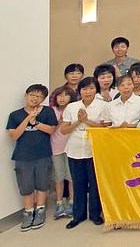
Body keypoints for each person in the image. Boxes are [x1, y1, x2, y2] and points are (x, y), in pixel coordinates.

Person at [60, 77, 112, 228]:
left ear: (96, 90)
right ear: (79, 91)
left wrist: (87, 121)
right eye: (84, 89)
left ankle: (95, 214)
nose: (87, 92)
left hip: (94, 149)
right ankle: (78, 215)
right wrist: (78, 122)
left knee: (95, 184)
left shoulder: (104, 106)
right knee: (78, 183)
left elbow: (106, 129)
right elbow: (63, 130)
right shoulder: (72, 106)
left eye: (91, 88)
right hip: (74, 149)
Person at [7, 84, 58, 231]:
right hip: (22, 156)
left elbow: (51, 130)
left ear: (43, 99)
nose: (35, 98)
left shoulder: (48, 112)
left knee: (42, 184)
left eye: (39, 96)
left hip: (43, 154)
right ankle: (28, 213)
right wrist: (28, 118)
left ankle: (40, 210)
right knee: (26, 186)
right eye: (32, 95)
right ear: (26, 95)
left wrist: (36, 122)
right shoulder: (15, 115)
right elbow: (14, 135)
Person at [48, 86, 76, 220]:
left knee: (71, 177)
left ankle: (71, 203)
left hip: (72, 148)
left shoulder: (74, 109)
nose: (62, 98)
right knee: (58, 177)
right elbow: (50, 130)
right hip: (55, 148)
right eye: (59, 95)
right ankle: (59, 203)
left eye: (66, 95)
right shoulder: (51, 111)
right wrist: (58, 123)